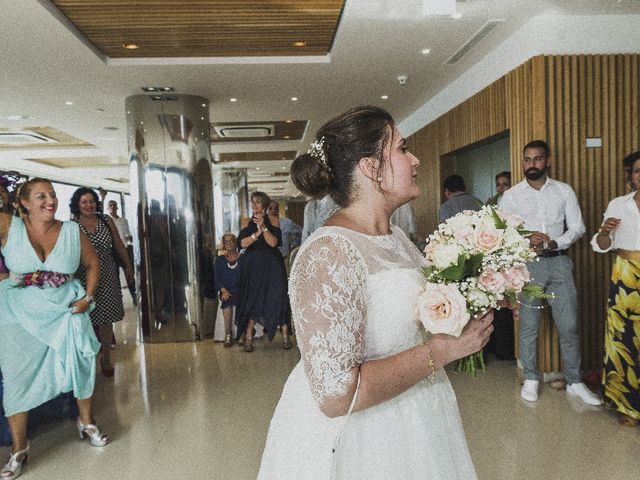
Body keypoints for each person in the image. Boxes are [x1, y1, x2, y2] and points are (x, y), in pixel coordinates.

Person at [258, 106, 493, 479]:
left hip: (420, 415)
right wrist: (443, 350)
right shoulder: (328, 253)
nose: (415, 160)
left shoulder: (396, 237)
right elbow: (336, 395)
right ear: (371, 167)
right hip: (362, 439)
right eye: (403, 148)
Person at [0, 178, 109, 479]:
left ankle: (86, 422)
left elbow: (93, 262)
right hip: (18, 313)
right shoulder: (9, 226)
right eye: (40, 196)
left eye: (52, 195)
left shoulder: (72, 230)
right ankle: (19, 449)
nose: (50, 201)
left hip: (65, 309)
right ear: (23, 202)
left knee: (82, 361)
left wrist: (88, 297)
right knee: (16, 378)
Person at [498, 140, 601, 405]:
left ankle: (575, 382)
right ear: (523, 162)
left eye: (537, 159)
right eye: (527, 159)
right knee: (529, 326)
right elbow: (501, 233)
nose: (532, 164)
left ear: (548, 161)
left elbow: (578, 228)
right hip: (528, 266)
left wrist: (557, 242)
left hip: (559, 263)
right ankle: (531, 378)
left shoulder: (564, 191)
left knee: (569, 325)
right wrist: (526, 238)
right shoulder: (511, 196)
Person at [591, 150, 640, 426]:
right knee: (623, 339)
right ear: (630, 176)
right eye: (636, 170)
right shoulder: (618, 205)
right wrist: (605, 232)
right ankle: (626, 405)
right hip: (625, 275)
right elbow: (601, 246)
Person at [70, 187, 134, 377]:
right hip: (84, 275)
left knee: (106, 317)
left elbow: (119, 244)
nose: (88, 205)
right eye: (84, 202)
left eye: (91, 201)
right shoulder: (73, 225)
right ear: (77, 205)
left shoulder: (106, 221)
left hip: (107, 273)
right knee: (87, 317)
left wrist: (128, 265)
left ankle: (106, 357)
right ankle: (89, 355)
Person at [236, 191, 291, 352]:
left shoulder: (273, 219)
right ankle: (248, 336)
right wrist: (256, 233)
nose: (254, 205)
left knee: (276, 296)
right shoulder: (246, 221)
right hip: (253, 266)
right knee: (253, 298)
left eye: (257, 202)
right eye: (252, 202)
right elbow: (243, 244)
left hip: (272, 265)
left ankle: (286, 334)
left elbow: (273, 243)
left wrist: (264, 227)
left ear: (264, 205)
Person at [214, 232, 243, 347]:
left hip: (240, 289)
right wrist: (223, 290)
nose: (229, 244)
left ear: (235, 243)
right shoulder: (220, 260)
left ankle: (242, 334)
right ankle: (228, 335)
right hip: (226, 290)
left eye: (231, 241)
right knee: (227, 301)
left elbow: (246, 277)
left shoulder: (243, 258)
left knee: (243, 300)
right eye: (226, 242)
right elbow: (217, 278)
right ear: (223, 244)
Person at [106, 199, 136, 304]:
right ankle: (118, 300)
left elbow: (128, 235)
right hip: (113, 251)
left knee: (130, 273)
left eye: (114, 205)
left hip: (125, 249)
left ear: (117, 207)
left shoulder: (124, 220)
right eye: (110, 205)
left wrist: (130, 242)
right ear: (108, 208)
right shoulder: (107, 220)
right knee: (115, 275)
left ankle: (135, 297)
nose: (113, 207)